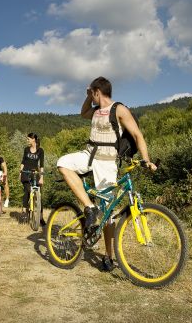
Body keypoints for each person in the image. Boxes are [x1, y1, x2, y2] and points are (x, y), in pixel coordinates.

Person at [57, 77, 156, 272]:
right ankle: (89, 207)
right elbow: (82, 113)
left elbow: (138, 135)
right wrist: (88, 97)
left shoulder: (118, 109)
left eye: (92, 93)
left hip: (107, 162)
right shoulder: (94, 110)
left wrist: (146, 159)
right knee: (62, 163)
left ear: (97, 91)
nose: (91, 97)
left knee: (109, 213)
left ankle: (108, 256)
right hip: (89, 155)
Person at [19, 133, 45, 225]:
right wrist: (20, 171)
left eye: (28, 139)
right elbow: (23, 161)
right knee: (27, 191)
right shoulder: (26, 149)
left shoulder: (40, 151)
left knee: (39, 194)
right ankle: (24, 213)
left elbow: (41, 165)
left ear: (33, 139)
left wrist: (41, 177)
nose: (27, 140)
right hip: (25, 173)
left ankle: (40, 217)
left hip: (35, 173)